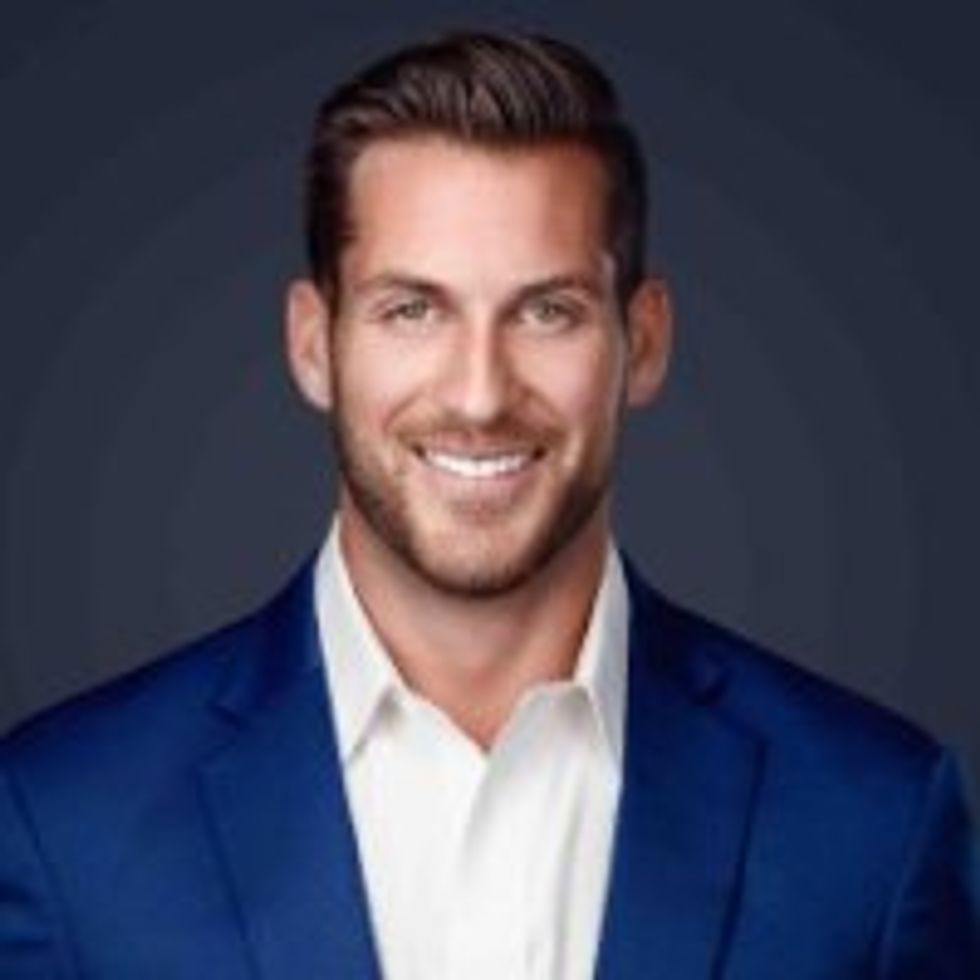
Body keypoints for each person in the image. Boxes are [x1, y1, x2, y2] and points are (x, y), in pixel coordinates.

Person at [0, 29, 976, 980]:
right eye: (411, 310)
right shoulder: (61, 823)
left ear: (641, 342)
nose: (477, 396)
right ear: (312, 343)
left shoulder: (874, 825)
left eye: (547, 311)